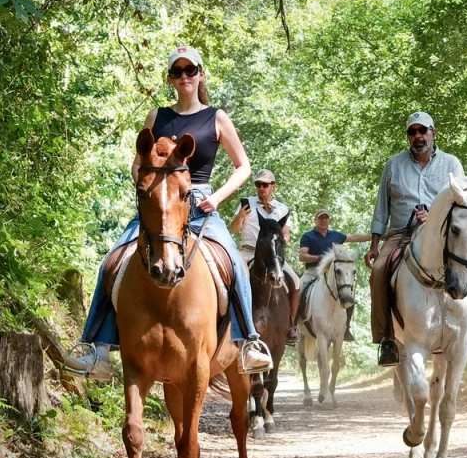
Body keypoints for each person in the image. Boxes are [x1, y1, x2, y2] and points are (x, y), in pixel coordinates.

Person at [64, 45, 272, 380]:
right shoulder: (156, 116)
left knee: (233, 261)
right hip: (158, 204)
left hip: (200, 201)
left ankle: (248, 340)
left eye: (191, 70)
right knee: (112, 259)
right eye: (177, 72)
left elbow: (243, 167)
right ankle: (94, 347)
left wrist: (216, 197)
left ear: (201, 74)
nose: (185, 77)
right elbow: (138, 165)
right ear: (170, 78)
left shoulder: (215, 117)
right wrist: (150, 189)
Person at [365, 112, 467, 367]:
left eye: (423, 131)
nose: (418, 136)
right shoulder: (393, 165)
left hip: (442, 233)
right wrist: (374, 244)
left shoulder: (451, 164)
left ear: (433, 133)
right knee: (380, 270)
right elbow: (381, 209)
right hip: (401, 234)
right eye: (412, 132)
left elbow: (463, 204)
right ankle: (386, 340)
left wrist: (434, 215)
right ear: (408, 136)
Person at [228, 169, 302, 343]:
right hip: (248, 252)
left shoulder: (282, 208)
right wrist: (240, 217)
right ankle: (225, 322)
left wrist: (279, 240)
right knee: (229, 279)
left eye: (265, 185)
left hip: (272, 256)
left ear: (273, 186)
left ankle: (291, 326)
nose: (261, 188)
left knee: (296, 282)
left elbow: (287, 236)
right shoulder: (246, 204)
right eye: (258, 184)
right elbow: (233, 229)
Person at [296, 208, 372, 342]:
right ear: (316, 220)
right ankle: (293, 325)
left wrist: (375, 236)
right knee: (298, 290)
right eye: (320, 218)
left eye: (326, 218)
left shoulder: (335, 235)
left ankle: (346, 327)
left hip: (331, 274)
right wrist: (317, 258)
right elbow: (302, 256)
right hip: (313, 272)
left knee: (348, 292)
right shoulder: (308, 236)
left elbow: (353, 237)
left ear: (329, 220)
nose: (323, 220)